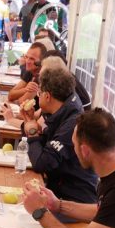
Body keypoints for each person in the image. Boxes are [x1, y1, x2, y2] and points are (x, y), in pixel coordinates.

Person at [17, 68, 97, 204]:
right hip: (58, 191)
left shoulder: (72, 123)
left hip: (73, 199)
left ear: (47, 96)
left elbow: (42, 163)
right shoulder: (62, 110)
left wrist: (32, 133)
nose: (38, 97)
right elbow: (44, 146)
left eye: (39, 93)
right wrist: (29, 121)